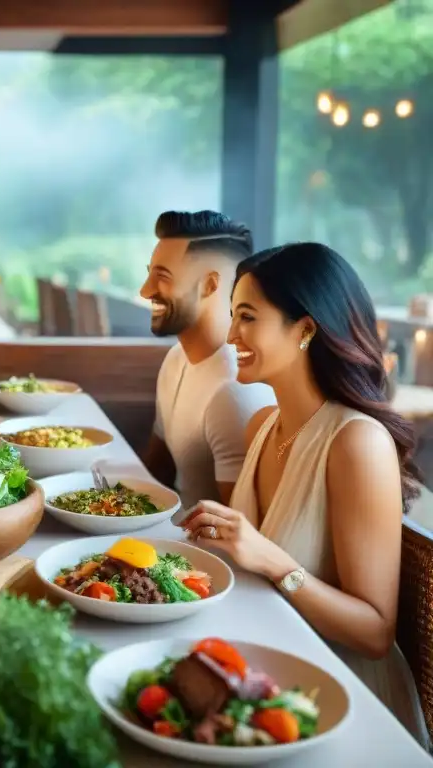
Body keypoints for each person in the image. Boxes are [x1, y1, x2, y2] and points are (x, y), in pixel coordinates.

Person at [181, 242, 429, 747]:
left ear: (307, 329)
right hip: (265, 678)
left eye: (247, 317)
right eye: (231, 316)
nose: (231, 336)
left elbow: (375, 634)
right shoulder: (264, 427)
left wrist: (272, 561)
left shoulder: (356, 443)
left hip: (342, 702)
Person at [140, 210, 275, 507]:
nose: (145, 290)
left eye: (162, 276)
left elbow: (239, 533)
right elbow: (156, 470)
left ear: (210, 285)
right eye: (149, 273)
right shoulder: (175, 360)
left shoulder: (236, 391)